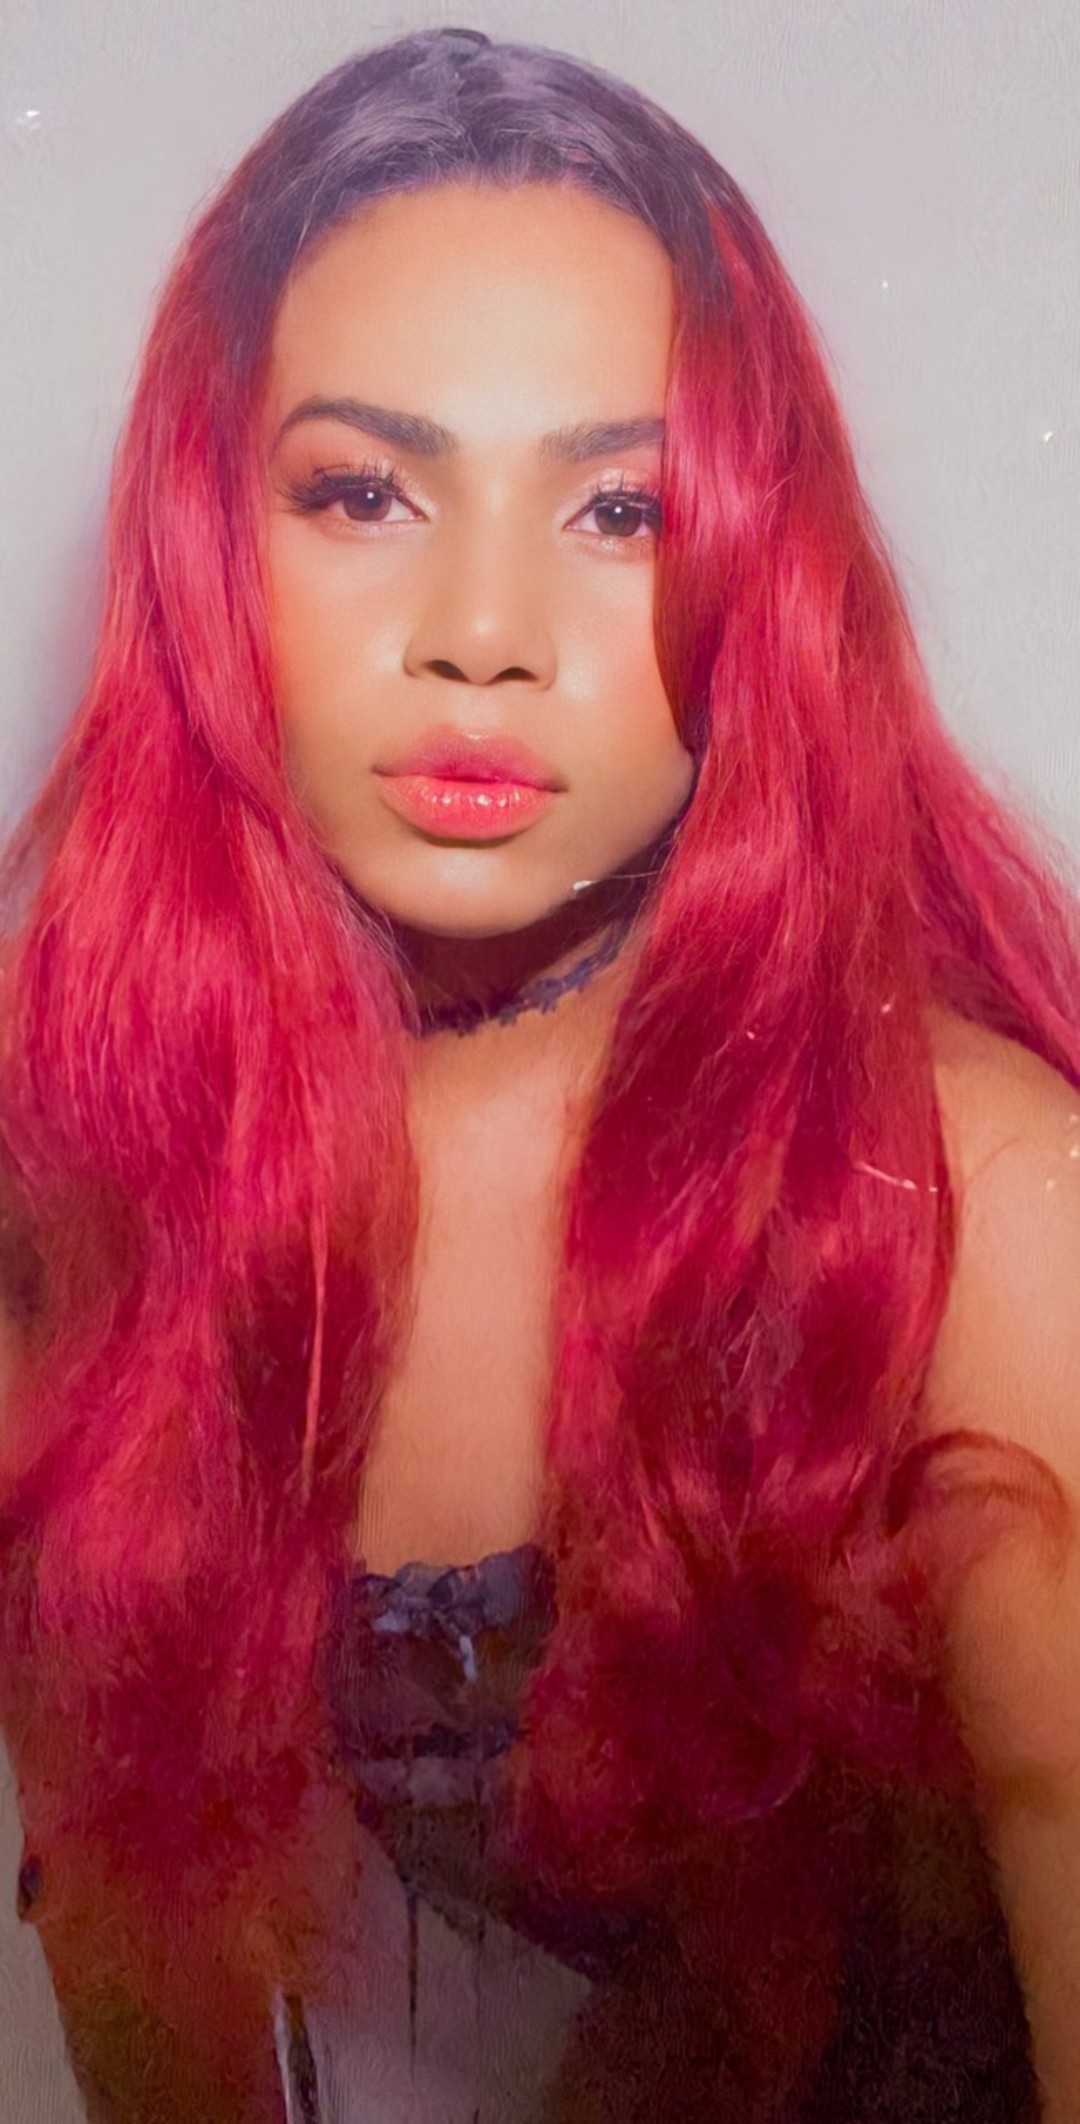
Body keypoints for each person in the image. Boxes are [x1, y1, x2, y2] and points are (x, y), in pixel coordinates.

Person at [1, 24, 1079, 2122]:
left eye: (620, 505)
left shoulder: (984, 1221)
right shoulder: (83, 1194)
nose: (482, 629)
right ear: (210, 540)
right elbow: (152, 2000)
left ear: (758, 564)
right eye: (362, 492)